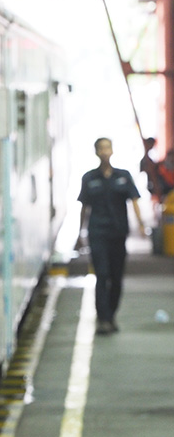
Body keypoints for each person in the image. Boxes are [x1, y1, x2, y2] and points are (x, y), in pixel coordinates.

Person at [76, 137, 145, 335]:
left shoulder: (123, 176)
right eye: (101, 148)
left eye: (108, 148)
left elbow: (134, 201)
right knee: (102, 274)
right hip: (97, 233)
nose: (105, 152)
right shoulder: (89, 178)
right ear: (96, 152)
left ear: (112, 151)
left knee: (116, 278)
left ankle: (111, 315)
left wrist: (141, 226)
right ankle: (103, 319)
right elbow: (84, 207)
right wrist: (80, 232)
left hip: (118, 232)